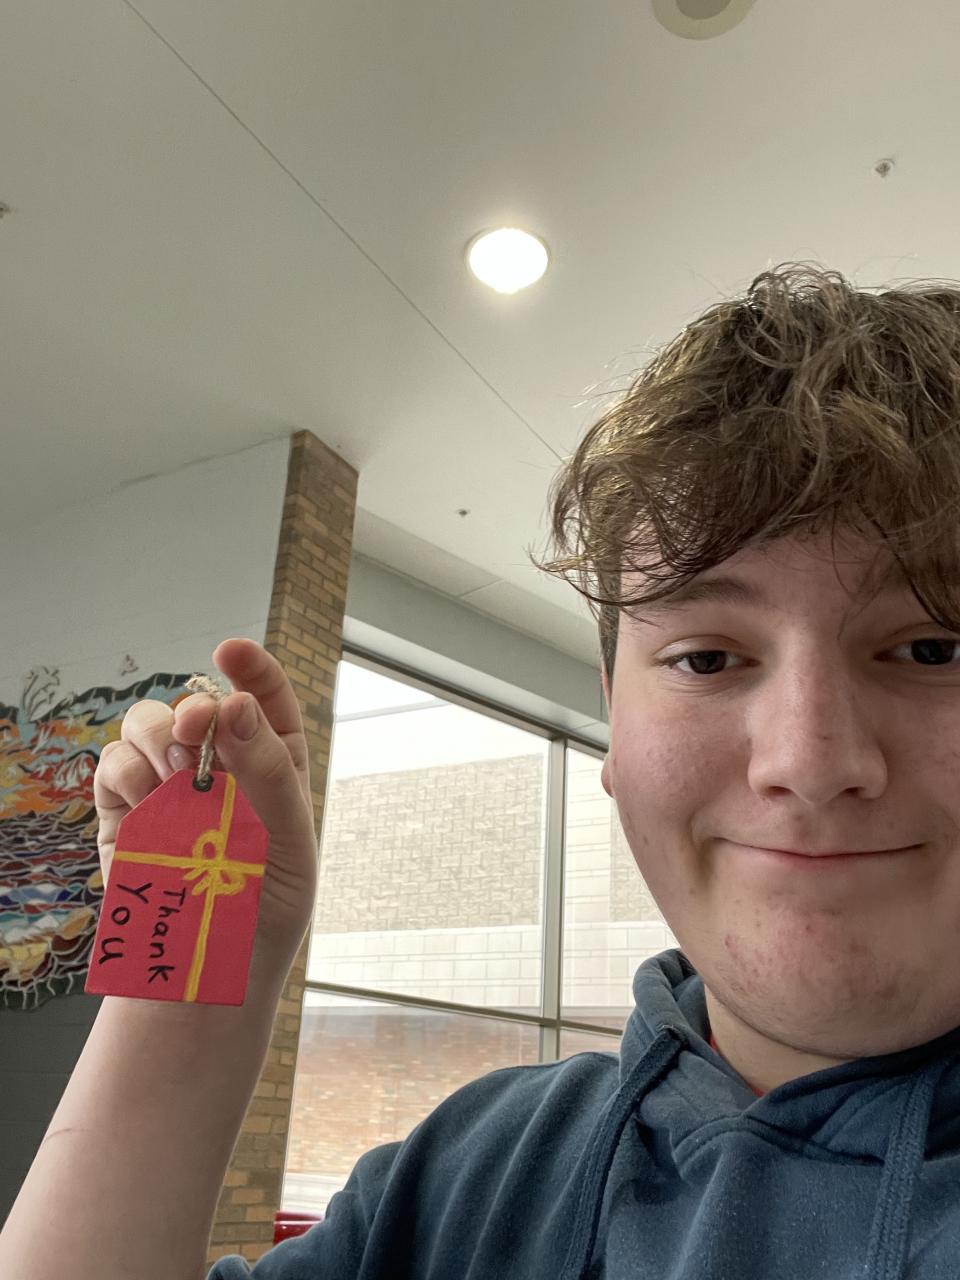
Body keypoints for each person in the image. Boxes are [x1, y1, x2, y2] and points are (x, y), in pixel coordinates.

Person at [3, 262, 960, 1280]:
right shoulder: (466, 1177)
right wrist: (194, 952)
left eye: (934, 647)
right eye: (708, 659)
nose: (808, 762)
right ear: (614, 722)